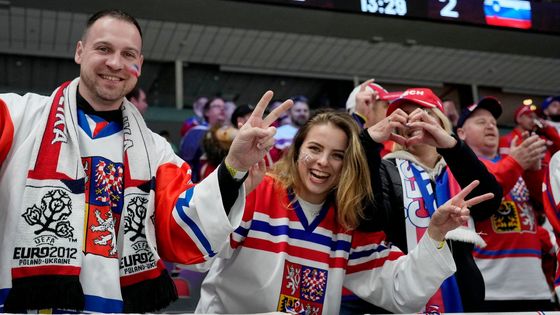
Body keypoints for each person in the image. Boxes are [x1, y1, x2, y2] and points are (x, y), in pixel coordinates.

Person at [0, 9, 292, 313]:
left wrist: (233, 168)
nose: (115, 63)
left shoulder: (158, 152)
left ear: (139, 64)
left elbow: (185, 233)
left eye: (128, 55)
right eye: (103, 49)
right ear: (79, 51)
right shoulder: (17, 117)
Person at [194, 110, 494, 314]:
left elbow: (401, 291)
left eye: (338, 155)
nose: (323, 162)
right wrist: (232, 177)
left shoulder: (347, 222)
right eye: (314, 148)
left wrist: (435, 234)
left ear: (349, 163)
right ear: (297, 150)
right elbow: (196, 253)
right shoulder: (259, 190)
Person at [343, 89, 503, 313]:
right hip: (402, 295)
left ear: (440, 121)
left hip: (464, 294)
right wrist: (368, 144)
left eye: (421, 112)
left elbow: (490, 202)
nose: (411, 119)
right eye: (403, 114)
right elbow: (369, 219)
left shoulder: (460, 165)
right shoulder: (384, 167)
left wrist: (452, 146)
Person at [456, 97, 558, 311]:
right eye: (481, 121)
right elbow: (486, 194)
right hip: (490, 289)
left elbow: (543, 207)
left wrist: (534, 169)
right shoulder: (457, 168)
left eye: (493, 121)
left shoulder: (511, 162)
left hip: (535, 286)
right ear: (461, 134)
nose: (491, 125)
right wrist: (517, 162)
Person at [346, 79, 401, 156]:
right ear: (367, 108)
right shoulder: (343, 147)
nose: (392, 110)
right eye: (386, 105)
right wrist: (359, 117)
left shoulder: (399, 145)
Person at [499, 103, 560, 170]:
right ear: (519, 118)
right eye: (530, 117)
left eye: (536, 118)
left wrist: (547, 128)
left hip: (546, 178)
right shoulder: (507, 139)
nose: (534, 120)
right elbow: (505, 167)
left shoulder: (541, 139)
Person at [179, 96, 226, 183]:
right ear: (207, 112)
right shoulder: (196, 132)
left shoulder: (227, 134)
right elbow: (187, 162)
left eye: (224, 107)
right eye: (217, 106)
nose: (222, 109)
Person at [270, 95, 310, 162]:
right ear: (289, 113)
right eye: (298, 110)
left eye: (305, 111)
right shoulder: (277, 133)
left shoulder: (314, 132)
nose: (302, 113)